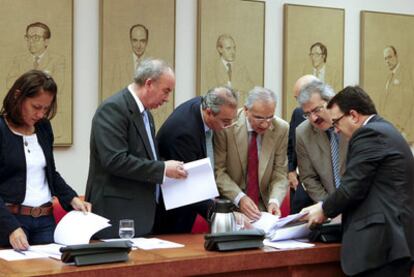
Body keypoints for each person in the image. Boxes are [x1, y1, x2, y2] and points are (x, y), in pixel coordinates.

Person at [303, 86, 414, 276]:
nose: (336, 130)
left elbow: (352, 187)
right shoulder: (384, 129)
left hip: (381, 248)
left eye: (336, 122)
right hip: (392, 245)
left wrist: (322, 209)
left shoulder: (369, 133)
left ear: (353, 115)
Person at [85, 58, 187, 239]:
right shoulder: (113, 109)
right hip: (116, 214)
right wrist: (163, 169)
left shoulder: (146, 114)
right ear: (149, 84)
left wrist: (170, 168)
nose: (167, 98)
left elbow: (146, 158)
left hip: (142, 214)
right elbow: (115, 160)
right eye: (166, 91)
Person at [0, 70, 90, 250]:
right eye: (36, 107)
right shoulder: (1, 130)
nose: (41, 114)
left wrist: (72, 198)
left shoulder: (43, 127)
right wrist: (10, 227)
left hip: (45, 221)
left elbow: (50, 173)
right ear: (18, 97)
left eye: (46, 108)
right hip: (11, 221)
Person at [155, 86, 238, 233]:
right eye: (225, 121)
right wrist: (222, 213)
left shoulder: (201, 104)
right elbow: (188, 187)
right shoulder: (183, 134)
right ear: (209, 112)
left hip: (186, 201)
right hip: (172, 212)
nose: (228, 126)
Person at [214, 87, 288, 220]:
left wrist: (274, 201)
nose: (265, 124)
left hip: (263, 210)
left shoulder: (281, 129)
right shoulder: (227, 125)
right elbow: (218, 171)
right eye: (259, 118)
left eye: (270, 117)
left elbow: (280, 173)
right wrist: (239, 198)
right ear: (246, 110)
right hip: (231, 206)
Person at [295, 80, 347, 202]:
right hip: (327, 207)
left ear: (331, 102)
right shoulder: (302, 133)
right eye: (307, 114)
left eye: (317, 110)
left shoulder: (350, 123)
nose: (313, 118)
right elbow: (309, 178)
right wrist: (328, 207)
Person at [7, 22, 65, 93]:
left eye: (36, 38)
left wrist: (25, 86)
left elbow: (56, 86)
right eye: (28, 37)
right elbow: (10, 82)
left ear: (46, 41)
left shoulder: (57, 60)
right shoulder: (19, 59)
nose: (30, 41)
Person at [287, 75, 316, 213]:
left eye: (300, 97)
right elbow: (291, 145)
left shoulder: (332, 115)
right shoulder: (298, 113)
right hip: (301, 182)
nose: (298, 102)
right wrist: (291, 171)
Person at [206, 34, 254, 106]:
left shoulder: (241, 67)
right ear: (220, 49)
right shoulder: (212, 68)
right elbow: (212, 94)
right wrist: (237, 89)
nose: (233, 52)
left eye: (234, 48)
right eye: (228, 48)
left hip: (239, 109)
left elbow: (251, 88)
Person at [381, 45, 414, 145]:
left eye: (390, 57)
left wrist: (400, 127)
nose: (387, 61)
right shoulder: (388, 78)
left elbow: (409, 103)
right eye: (385, 59)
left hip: (403, 131)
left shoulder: (405, 74)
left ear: (396, 56)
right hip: (391, 130)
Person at [110, 24, 150, 94]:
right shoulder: (120, 64)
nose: (138, 45)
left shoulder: (153, 65)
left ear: (147, 42)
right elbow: (114, 93)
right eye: (135, 40)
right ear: (130, 40)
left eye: (142, 41)